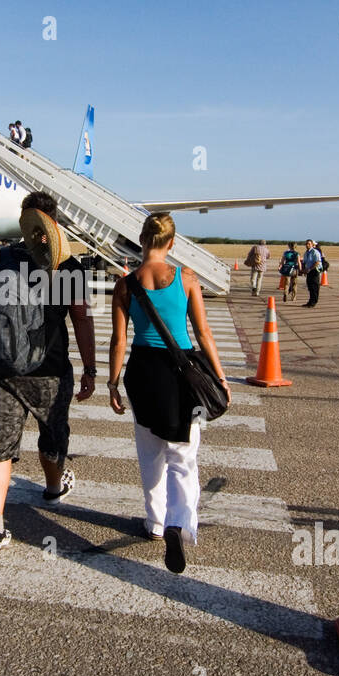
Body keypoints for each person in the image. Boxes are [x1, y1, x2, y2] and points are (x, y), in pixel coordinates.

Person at [107, 213, 229, 574]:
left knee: (150, 453)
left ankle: (156, 523)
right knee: (183, 454)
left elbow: (119, 341)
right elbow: (203, 333)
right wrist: (221, 378)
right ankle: (180, 522)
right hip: (181, 376)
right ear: (172, 243)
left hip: (144, 373)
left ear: (141, 240)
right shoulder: (187, 279)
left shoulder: (125, 285)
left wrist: (112, 383)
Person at [0, 192, 96, 549]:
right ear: (54, 222)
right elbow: (81, 319)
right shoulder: (67, 266)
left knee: (0, 440)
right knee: (53, 431)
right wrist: (90, 368)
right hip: (48, 366)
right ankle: (53, 488)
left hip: (0, 366)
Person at [301, 238, 323, 307]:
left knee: (314, 287)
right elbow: (304, 262)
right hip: (309, 271)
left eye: (309, 244)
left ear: (312, 245)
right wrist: (304, 270)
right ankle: (310, 301)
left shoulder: (315, 252)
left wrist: (310, 269)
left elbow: (317, 262)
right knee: (310, 286)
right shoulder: (306, 253)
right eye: (306, 244)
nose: (307, 245)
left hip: (314, 270)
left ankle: (314, 302)